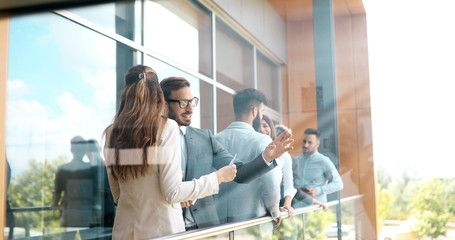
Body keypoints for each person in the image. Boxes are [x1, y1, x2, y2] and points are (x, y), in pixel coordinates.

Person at [103, 65, 237, 239]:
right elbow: (172, 192)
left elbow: (118, 195)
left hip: (124, 233)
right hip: (161, 234)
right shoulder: (166, 128)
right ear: (158, 96)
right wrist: (218, 177)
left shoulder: (111, 132)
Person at [159, 77, 293, 230]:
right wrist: (177, 198)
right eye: (183, 103)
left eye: (192, 101)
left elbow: (240, 173)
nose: (190, 109)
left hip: (203, 229)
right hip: (165, 227)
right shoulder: (149, 140)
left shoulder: (205, 138)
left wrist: (267, 157)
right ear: (164, 104)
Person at [214, 88, 292, 228]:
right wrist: (274, 210)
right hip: (252, 221)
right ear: (254, 111)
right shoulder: (261, 140)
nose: (261, 117)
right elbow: (271, 182)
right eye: (261, 112)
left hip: (218, 222)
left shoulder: (215, 139)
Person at [292, 128, 343, 207]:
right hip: (297, 210)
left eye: (310, 142)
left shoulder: (324, 161)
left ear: (317, 144)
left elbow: (338, 184)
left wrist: (318, 190)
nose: (305, 145)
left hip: (316, 208)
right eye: (304, 141)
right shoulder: (296, 160)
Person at [257, 115, 296, 217]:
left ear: (271, 128)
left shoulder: (284, 156)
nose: (262, 129)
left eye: (265, 126)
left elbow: (289, 185)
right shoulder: (252, 150)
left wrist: (287, 205)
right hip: (254, 210)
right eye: (258, 126)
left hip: (273, 210)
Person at [53, 135, 94, 227]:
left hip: (71, 213)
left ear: (71, 150)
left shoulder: (63, 169)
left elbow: (57, 192)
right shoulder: (92, 169)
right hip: (83, 213)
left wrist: (55, 204)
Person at [86, 139, 115, 227]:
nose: (90, 153)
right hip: (91, 214)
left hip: (106, 212)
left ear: (98, 150)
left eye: (92, 150)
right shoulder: (86, 169)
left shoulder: (108, 166)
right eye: (88, 150)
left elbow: (116, 190)